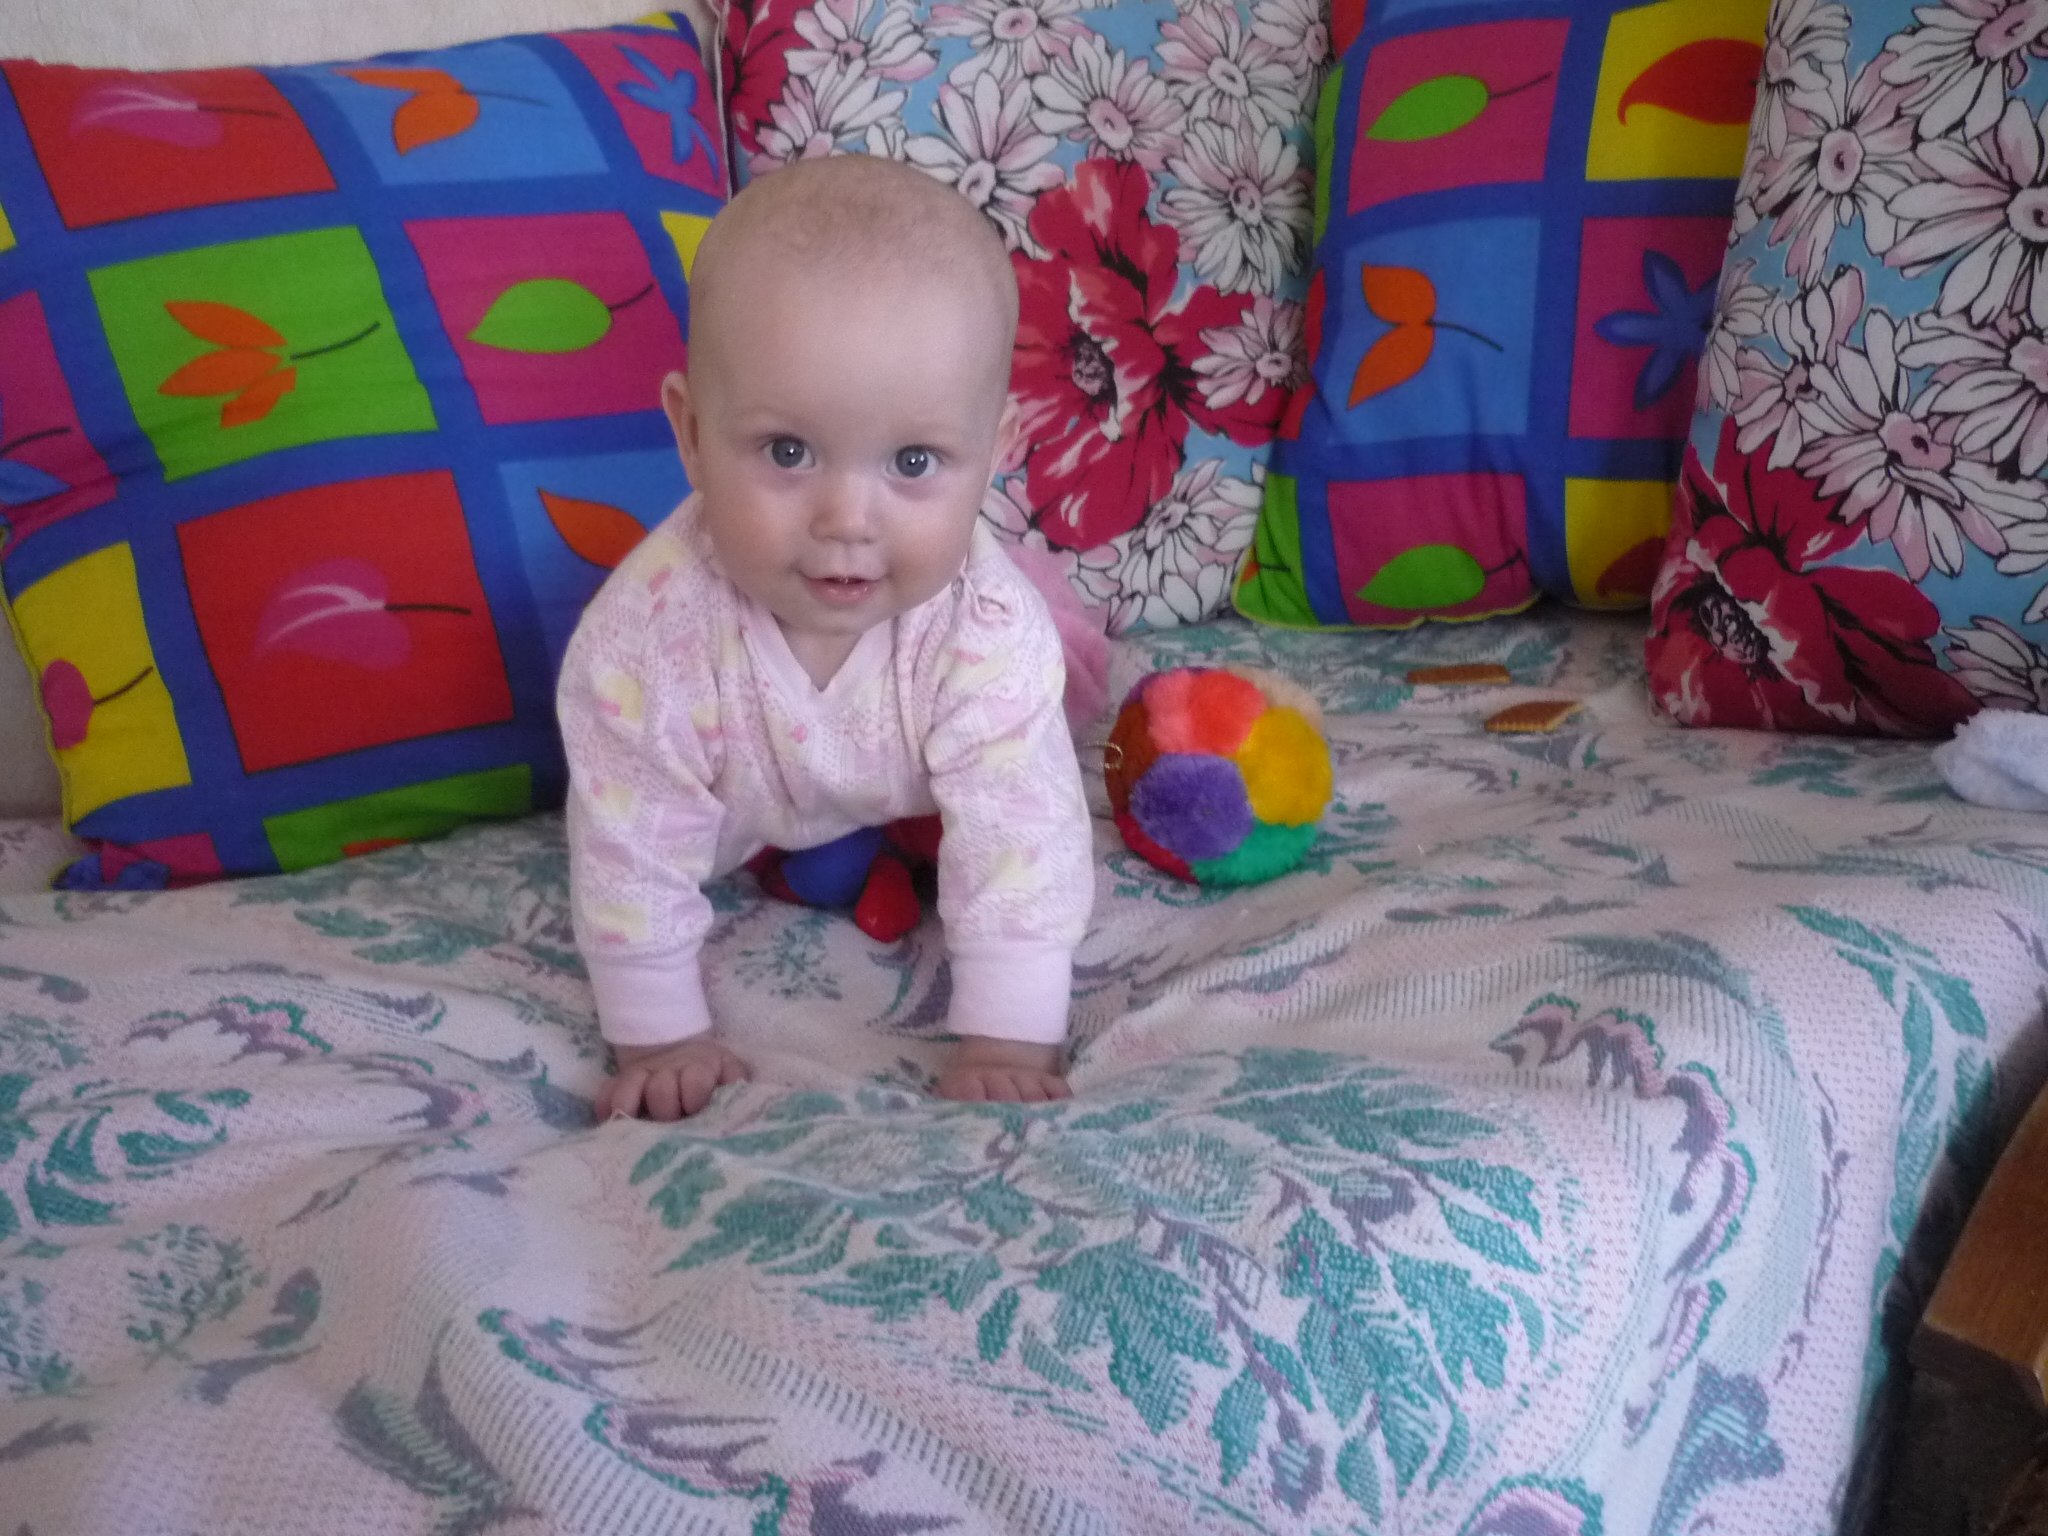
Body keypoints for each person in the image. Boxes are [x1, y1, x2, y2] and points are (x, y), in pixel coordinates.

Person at [557, 154, 1096, 1122]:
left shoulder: (982, 631)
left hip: (915, 779)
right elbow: (627, 844)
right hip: (736, 804)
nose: (847, 519)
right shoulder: (646, 641)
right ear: (691, 433)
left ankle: (882, 838)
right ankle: (825, 847)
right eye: (788, 451)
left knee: (1020, 763)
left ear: (995, 454)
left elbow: (1023, 835)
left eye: (914, 461)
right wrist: (660, 1037)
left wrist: (1009, 1039)